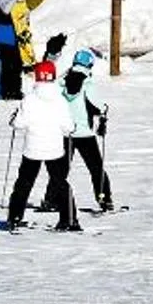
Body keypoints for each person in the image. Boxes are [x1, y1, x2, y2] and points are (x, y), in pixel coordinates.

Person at [4, 57, 82, 232]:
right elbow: (68, 128)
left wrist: (14, 118)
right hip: (54, 149)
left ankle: (14, 218)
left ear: (37, 76)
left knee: (24, 183)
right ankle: (69, 219)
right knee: (60, 183)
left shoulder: (30, 99)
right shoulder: (60, 100)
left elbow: (19, 124)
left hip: (33, 149)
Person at [62, 49, 115, 214]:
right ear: (89, 65)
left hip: (65, 132)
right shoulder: (87, 83)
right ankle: (104, 199)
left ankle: (52, 199)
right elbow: (96, 106)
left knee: (60, 170)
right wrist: (104, 111)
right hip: (85, 133)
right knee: (96, 168)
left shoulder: (61, 82)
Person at [0, 0, 31, 100]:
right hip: (5, 35)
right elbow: (6, 9)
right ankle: (6, 91)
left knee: (17, 64)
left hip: (16, 34)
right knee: (7, 64)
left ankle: (16, 90)